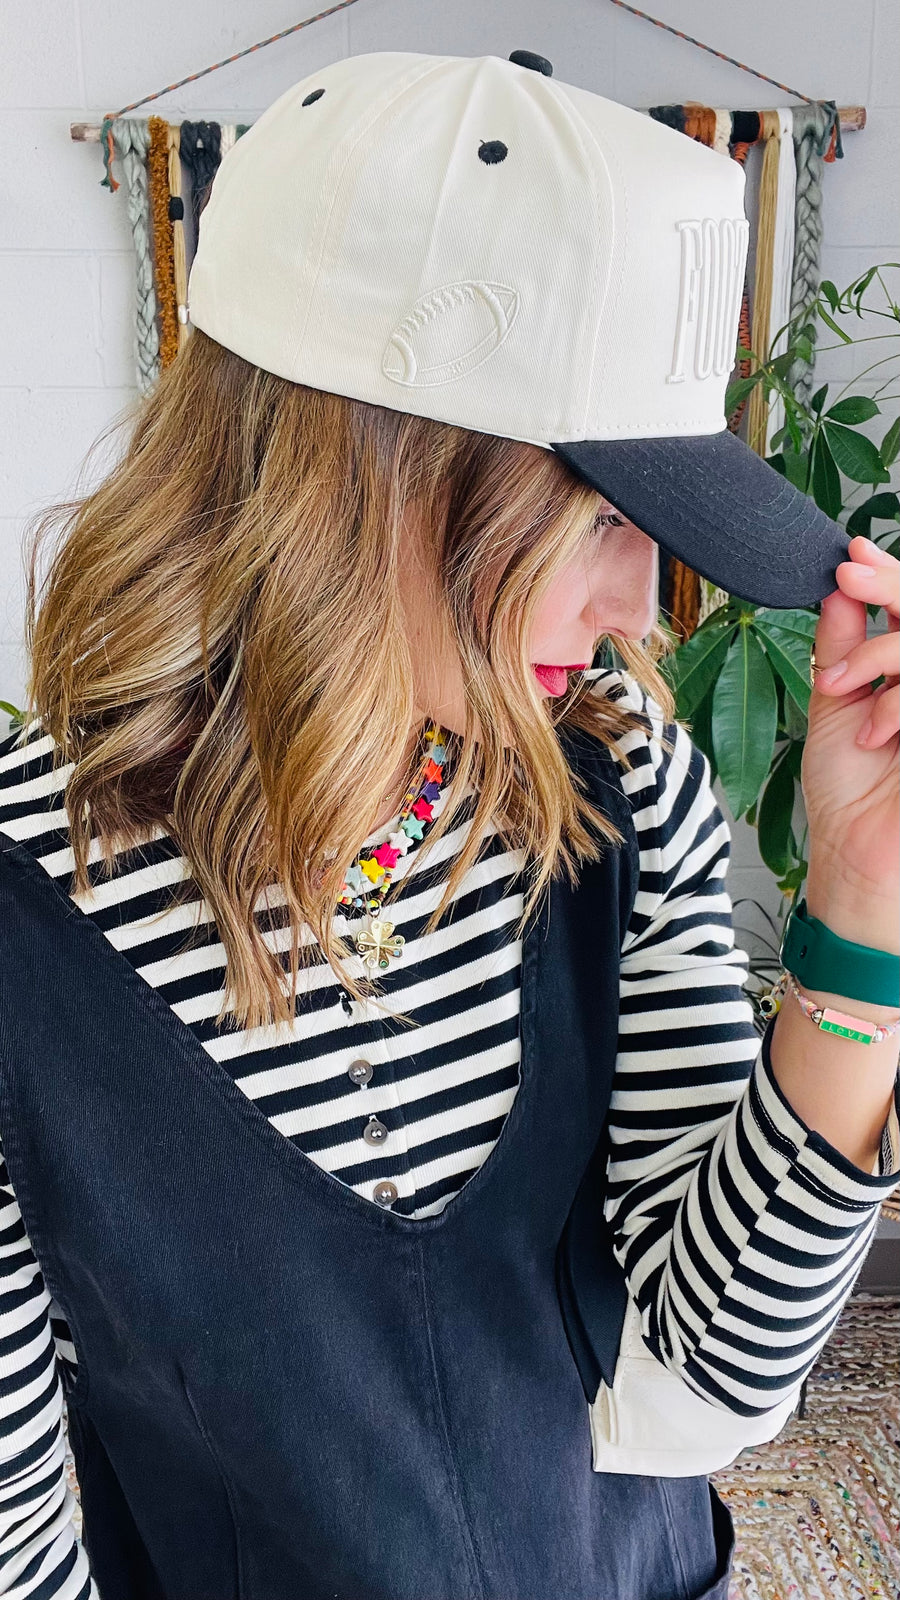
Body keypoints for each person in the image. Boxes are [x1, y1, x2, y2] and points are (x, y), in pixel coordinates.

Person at [0, 48, 897, 1600]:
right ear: (368, 470)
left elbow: (711, 1385)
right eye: (607, 518)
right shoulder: (27, 920)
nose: (642, 607)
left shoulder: (618, 794)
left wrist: (867, 913)